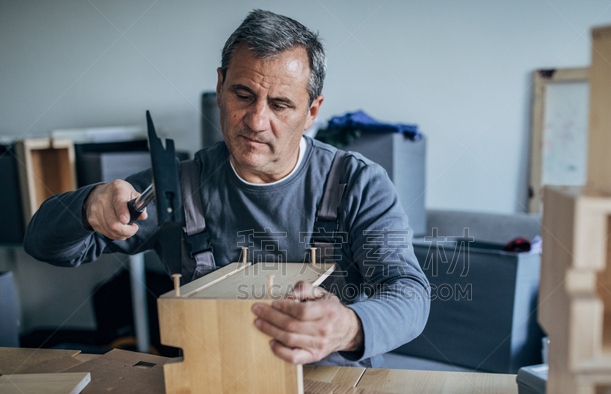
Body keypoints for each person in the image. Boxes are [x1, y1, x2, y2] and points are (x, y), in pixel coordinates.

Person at [24, 9, 430, 368]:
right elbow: (43, 244)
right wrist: (89, 206)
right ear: (220, 87)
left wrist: (351, 327)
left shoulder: (358, 183)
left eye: (280, 105)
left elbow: (409, 292)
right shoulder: (179, 187)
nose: (255, 121)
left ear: (312, 112)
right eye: (243, 94)